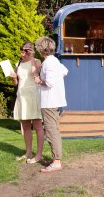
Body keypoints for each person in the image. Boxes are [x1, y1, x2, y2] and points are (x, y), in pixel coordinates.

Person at [34, 37, 68, 173]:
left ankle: (57, 162)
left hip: (49, 101)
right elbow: (65, 71)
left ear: (42, 49)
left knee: (51, 130)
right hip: (54, 100)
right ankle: (55, 159)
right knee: (53, 130)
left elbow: (49, 83)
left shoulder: (48, 62)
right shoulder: (54, 61)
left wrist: (39, 80)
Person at [11, 41, 44, 163]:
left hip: (33, 95)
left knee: (37, 126)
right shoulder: (18, 63)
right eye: (22, 51)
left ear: (31, 51)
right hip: (21, 95)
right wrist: (13, 78)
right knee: (25, 126)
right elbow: (15, 83)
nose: (22, 54)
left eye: (25, 51)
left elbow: (39, 78)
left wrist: (33, 62)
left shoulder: (36, 61)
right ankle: (28, 152)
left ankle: (39, 154)